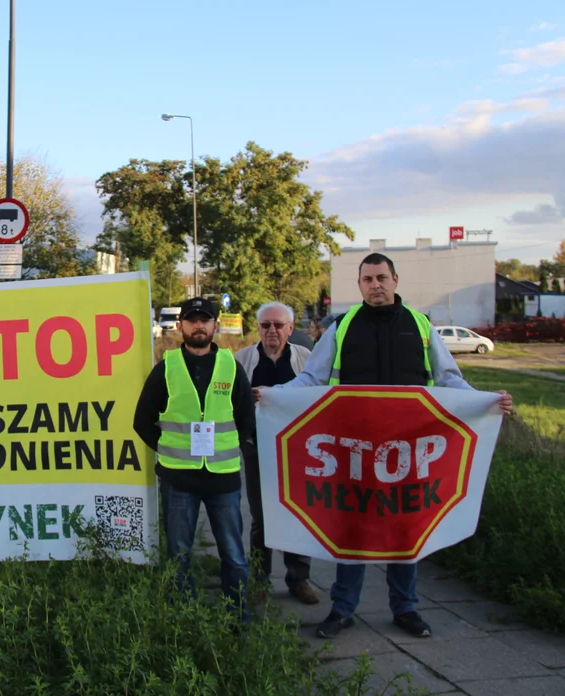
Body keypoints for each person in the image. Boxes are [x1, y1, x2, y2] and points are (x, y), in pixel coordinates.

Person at [261, 253, 513, 640]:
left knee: (405, 528)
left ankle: (405, 608)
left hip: (409, 450)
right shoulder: (342, 328)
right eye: (367, 279)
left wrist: (485, 401)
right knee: (352, 529)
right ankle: (343, 609)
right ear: (359, 285)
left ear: (395, 279)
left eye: (381, 277)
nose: (375, 285)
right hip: (353, 449)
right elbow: (311, 377)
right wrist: (273, 395)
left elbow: (449, 379)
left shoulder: (421, 325)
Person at [133, 297, 255, 624]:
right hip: (179, 482)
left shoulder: (231, 366)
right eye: (192, 320)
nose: (198, 325)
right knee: (179, 555)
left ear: (216, 325)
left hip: (223, 480)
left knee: (233, 555)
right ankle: (183, 619)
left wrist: (228, 446)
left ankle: (238, 616)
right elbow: (142, 420)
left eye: (205, 319)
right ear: (180, 326)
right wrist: (170, 450)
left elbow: (246, 418)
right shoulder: (166, 368)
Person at [234, 301, 317, 605]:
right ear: (257, 328)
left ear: (290, 329)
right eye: (265, 325)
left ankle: (299, 579)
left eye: (278, 325)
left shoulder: (306, 359)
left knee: (298, 512)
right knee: (261, 516)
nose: (271, 331)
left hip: (297, 450)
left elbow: (316, 397)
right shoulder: (242, 359)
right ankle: (259, 578)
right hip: (258, 448)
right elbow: (229, 399)